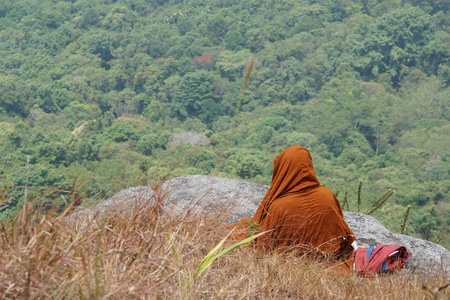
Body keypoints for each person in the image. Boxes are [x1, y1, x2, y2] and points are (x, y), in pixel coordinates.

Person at [225, 145, 355, 268]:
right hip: (326, 258)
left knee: (243, 229)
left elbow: (263, 247)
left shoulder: (279, 206)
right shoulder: (327, 195)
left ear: (283, 169)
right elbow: (341, 233)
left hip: (291, 263)